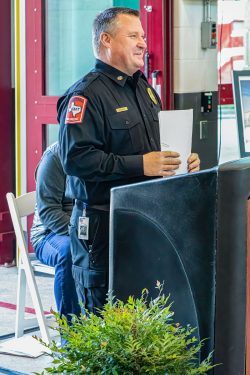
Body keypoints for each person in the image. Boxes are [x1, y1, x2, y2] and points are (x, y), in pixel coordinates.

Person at [57, 7, 200, 314]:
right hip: (103, 227)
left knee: (143, 321)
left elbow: (154, 148)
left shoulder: (144, 89)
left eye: (143, 36)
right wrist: (141, 165)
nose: (143, 44)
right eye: (133, 36)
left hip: (145, 220)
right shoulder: (86, 95)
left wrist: (180, 159)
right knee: (106, 323)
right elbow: (76, 159)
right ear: (106, 40)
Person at [30, 142, 80, 323]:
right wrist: (81, 237)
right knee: (70, 252)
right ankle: (71, 336)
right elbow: (48, 212)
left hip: (87, 230)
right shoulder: (55, 156)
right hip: (50, 233)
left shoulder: (104, 154)